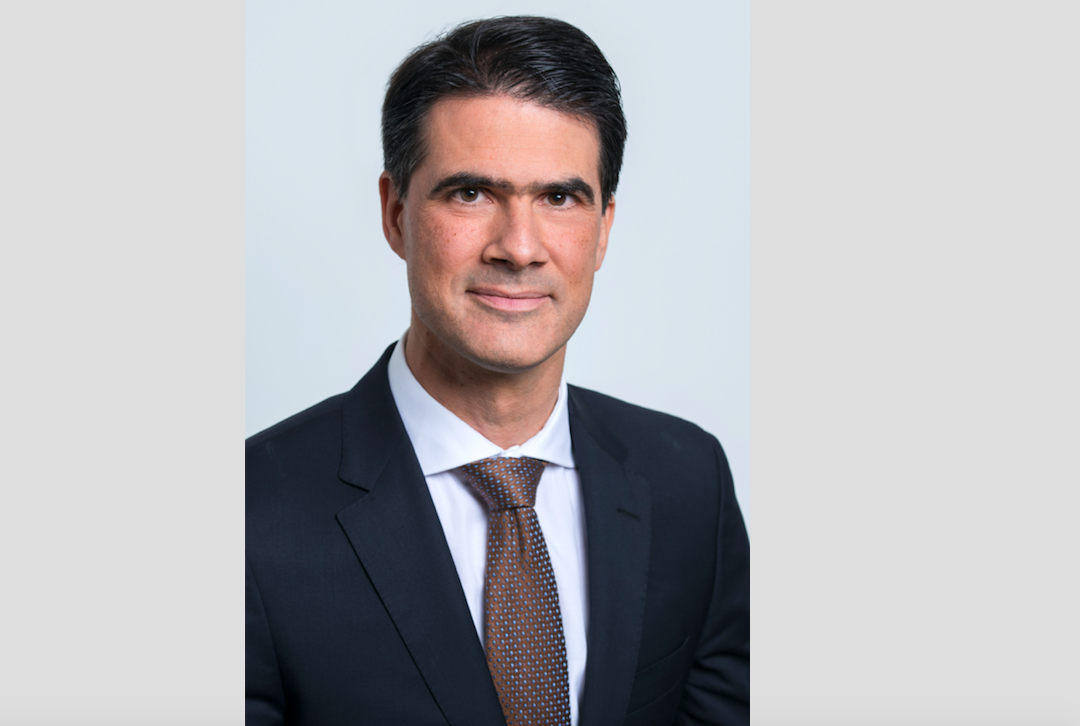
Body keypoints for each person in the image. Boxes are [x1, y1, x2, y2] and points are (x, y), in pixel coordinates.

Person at [246, 15, 749, 726]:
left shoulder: (689, 481)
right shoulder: (249, 515)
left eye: (559, 198)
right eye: (471, 193)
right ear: (395, 213)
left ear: (604, 228)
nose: (518, 247)